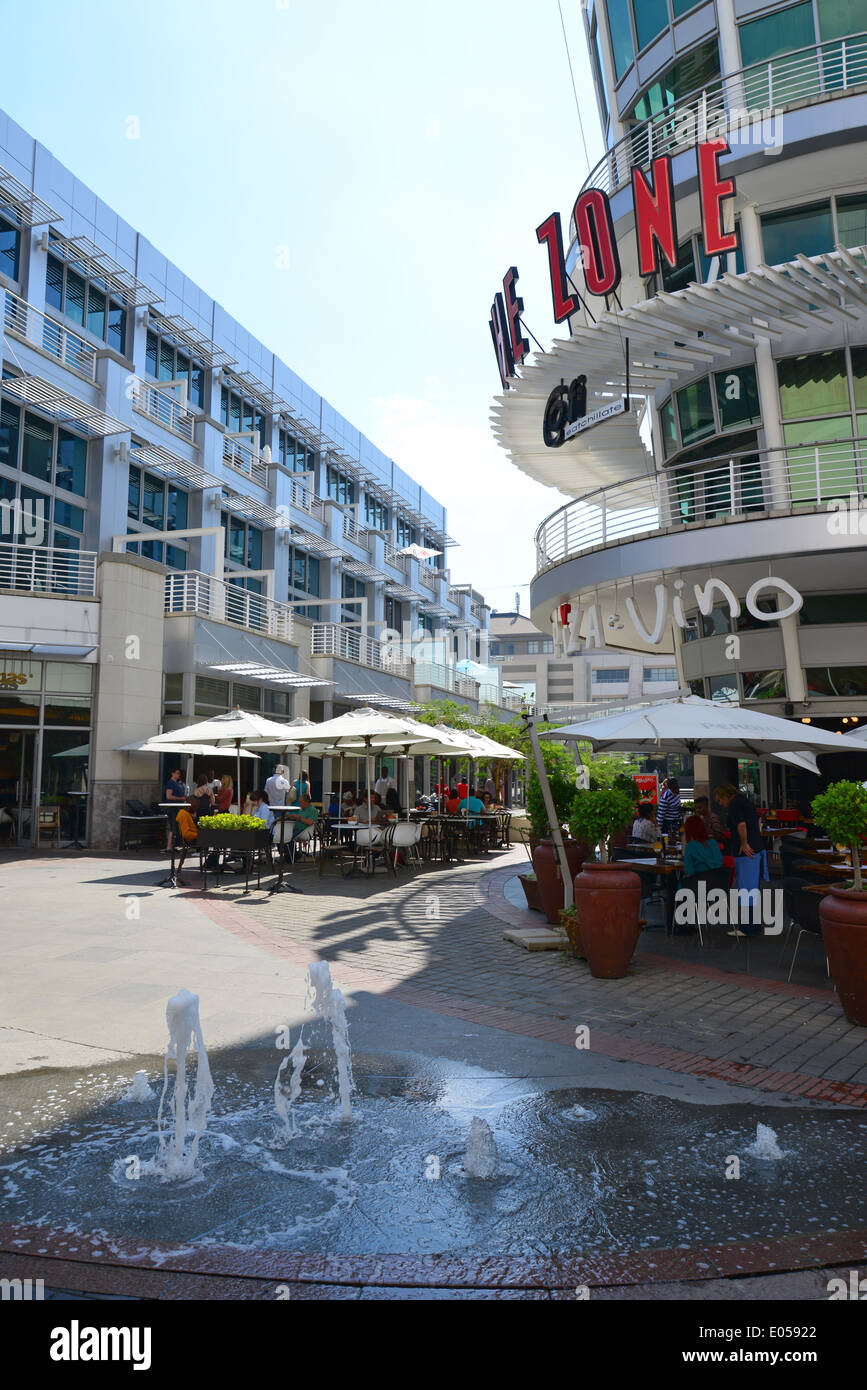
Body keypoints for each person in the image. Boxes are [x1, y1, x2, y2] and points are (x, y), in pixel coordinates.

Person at [714, 783, 766, 936]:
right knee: (752, 889)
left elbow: (741, 825)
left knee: (746, 890)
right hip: (756, 850)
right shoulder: (744, 801)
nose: (720, 804)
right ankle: (754, 925)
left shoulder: (734, 805)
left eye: (719, 800)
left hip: (746, 853)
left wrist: (744, 843)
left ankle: (747, 927)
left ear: (725, 796)